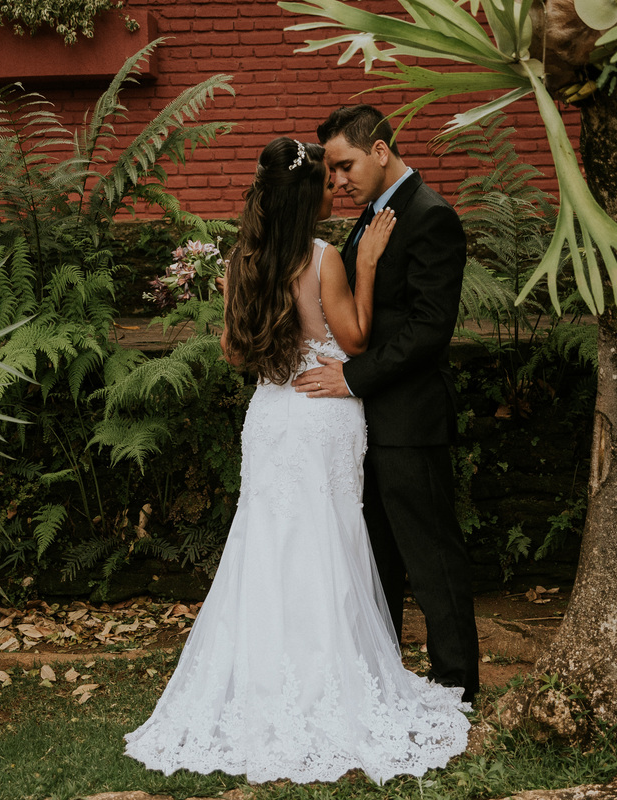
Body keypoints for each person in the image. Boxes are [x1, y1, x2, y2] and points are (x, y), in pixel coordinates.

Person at [124, 137, 471, 784]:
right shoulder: (324, 258)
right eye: (324, 186)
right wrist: (368, 266)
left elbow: (234, 352)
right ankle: (328, 680)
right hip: (322, 412)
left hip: (271, 415)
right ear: (306, 201)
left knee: (267, 541)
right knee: (328, 539)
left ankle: (265, 679)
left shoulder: (241, 262)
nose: (334, 192)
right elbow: (355, 340)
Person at [293, 105, 481, 703]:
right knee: (376, 558)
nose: (337, 180)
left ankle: (457, 682)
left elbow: (429, 329)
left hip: (410, 418)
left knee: (430, 554)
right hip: (365, 421)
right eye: (332, 170)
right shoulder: (370, 216)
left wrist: (352, 377)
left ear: (379, 150)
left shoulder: (430, 216)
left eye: (345, 165)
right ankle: (383, 676)